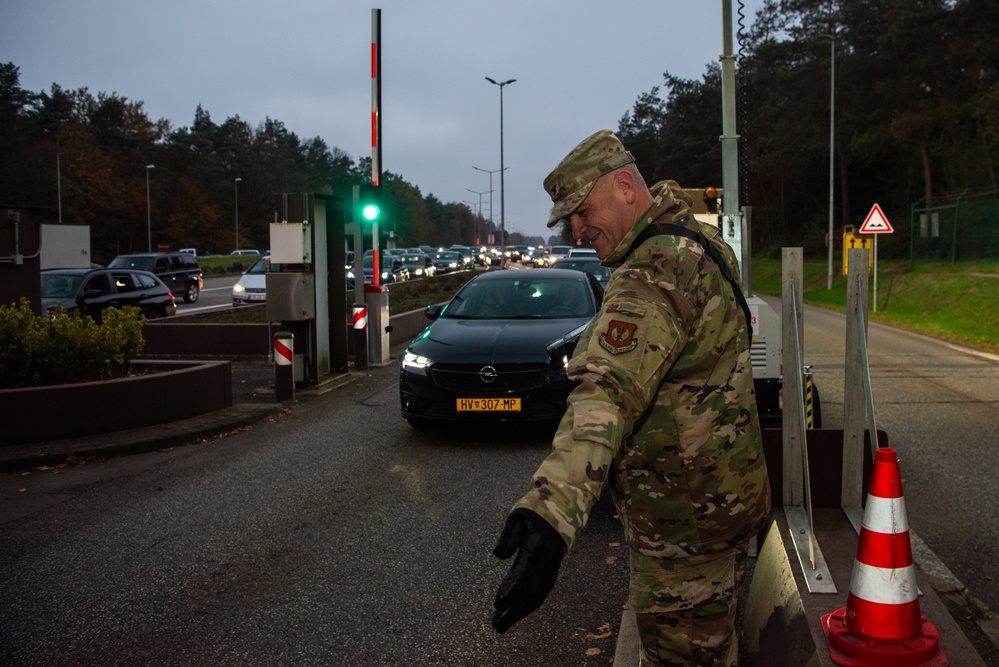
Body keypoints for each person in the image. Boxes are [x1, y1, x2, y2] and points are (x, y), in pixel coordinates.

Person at [491, 130, 770, 667]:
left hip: (681, 538)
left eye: (581, 210)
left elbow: (607, 398)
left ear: (624, 186)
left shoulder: (649, 271)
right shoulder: (696, 241)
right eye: (568, 219)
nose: (576, 228)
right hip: (727, 512)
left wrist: (550, 517)